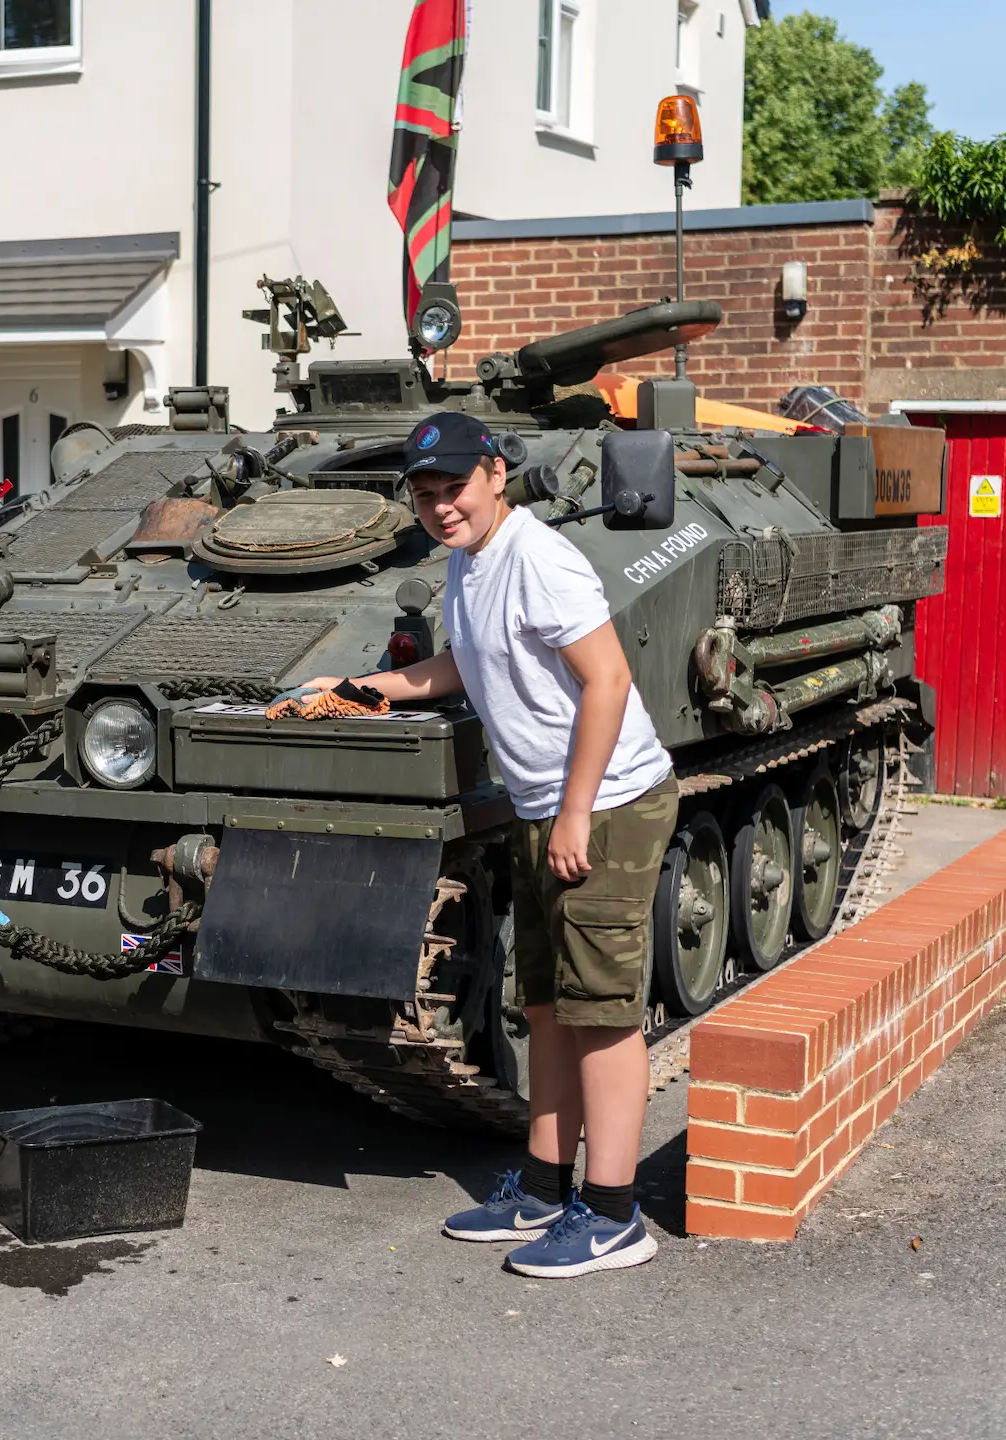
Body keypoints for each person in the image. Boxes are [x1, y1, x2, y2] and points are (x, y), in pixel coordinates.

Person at [304, 411, 678, 1279]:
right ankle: (547, 1189)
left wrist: (577, 812)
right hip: (544, 806)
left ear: (497, 475)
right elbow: (460, 668)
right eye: (426, 494)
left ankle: (616, 1217)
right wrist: (360, 689)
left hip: (607, 805)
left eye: (455, 488)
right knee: (546, 1006)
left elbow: (609, 679)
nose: (441, 507)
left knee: (603, 1017)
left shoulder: (537, 560)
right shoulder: (469, 564)